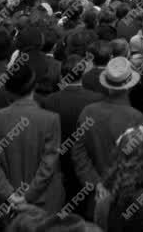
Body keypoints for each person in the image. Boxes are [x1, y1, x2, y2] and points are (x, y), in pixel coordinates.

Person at [0, 62, 64, 215]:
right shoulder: (51, 119)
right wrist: (28, 196)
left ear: (8, 90)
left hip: (6, 204)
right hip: (42, 203)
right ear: (34, 87)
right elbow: (49, 164)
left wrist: (9, 195)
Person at [72, 57, 143, 212]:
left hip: (95, 196)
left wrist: (96, 183)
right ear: (129, 86)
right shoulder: (136, 117)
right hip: (124, 200)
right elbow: (135, 161)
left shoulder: (88, 111)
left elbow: (78, 153)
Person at [42, 54, 103, 203]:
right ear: (83, 74)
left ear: (62, 74)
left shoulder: (49, 100)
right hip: (87, 161)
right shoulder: (96, 99)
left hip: (60, 162)